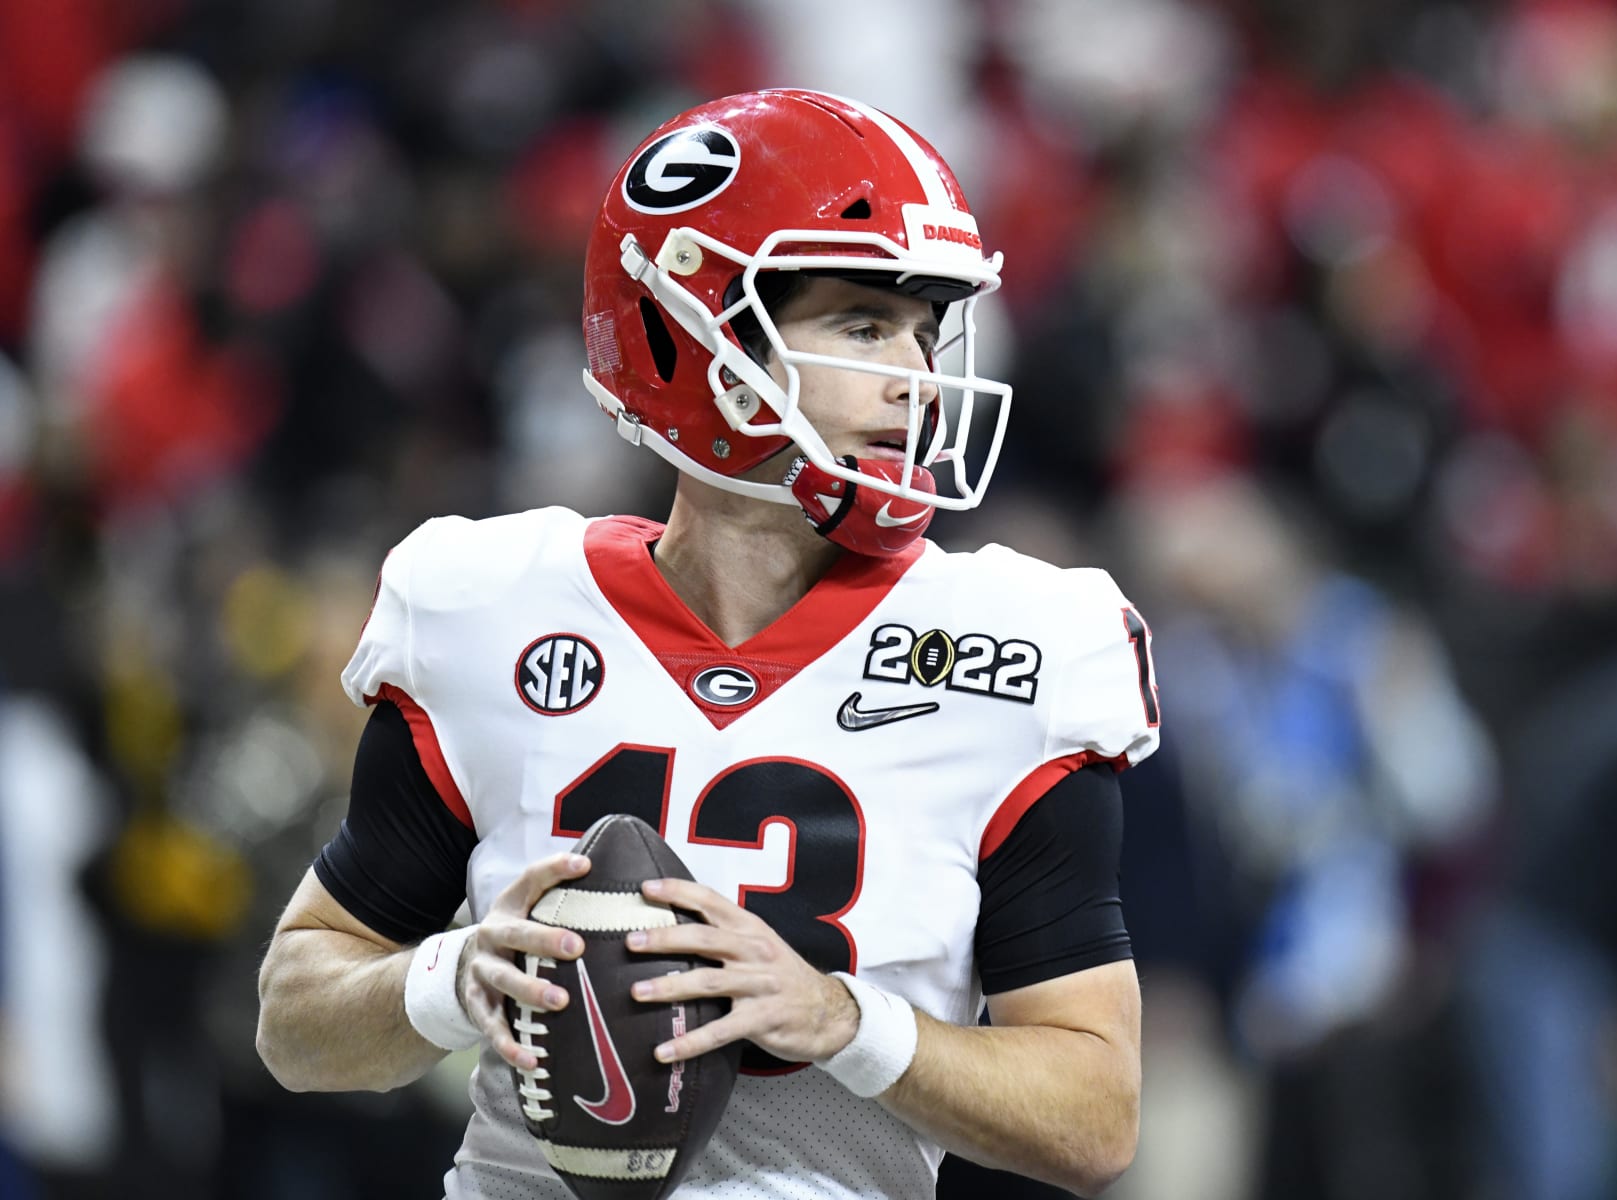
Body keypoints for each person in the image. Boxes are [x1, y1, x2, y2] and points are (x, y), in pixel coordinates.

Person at [255, 88, 1160, 1200]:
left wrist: (844, 1020)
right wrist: (447, 981)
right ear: (699, 335)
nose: (918, 380)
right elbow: (294, 1021)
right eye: (866, 325)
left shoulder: (1010, 649)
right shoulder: (491, 610)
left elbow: (1098, 1118)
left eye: (927, 334)